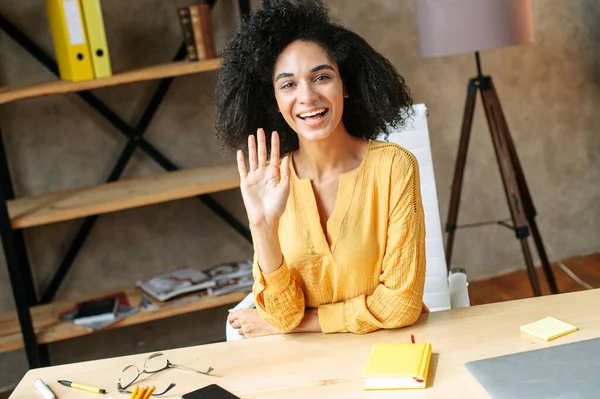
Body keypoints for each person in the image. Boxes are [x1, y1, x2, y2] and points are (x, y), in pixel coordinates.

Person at [217, 0, 427, 339]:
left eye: (321, 77)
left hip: (390, 355)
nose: (308, 96)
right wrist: (263, 225)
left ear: (345, 85)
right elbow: (282, 316)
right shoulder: (270, 182)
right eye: (288, 84)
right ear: (273, 101)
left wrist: (309, 322)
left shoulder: (394, 167)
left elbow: (402, 305)